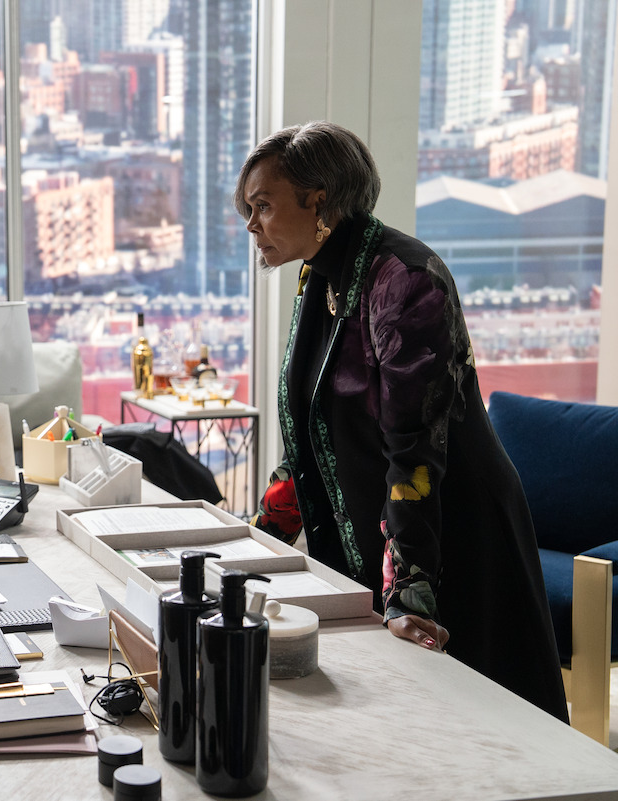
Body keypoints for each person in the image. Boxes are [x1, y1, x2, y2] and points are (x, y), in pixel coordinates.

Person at [238, 121, 567, 720]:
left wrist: (407, 589)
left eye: (262, 205)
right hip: (391, 528)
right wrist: (257, 538)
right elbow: (310, 435)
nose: (251, 224)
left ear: (318, 200)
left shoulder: (405, 280)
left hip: (452, 529)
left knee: (479, 730)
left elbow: (413, 455)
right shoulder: (322, 277)